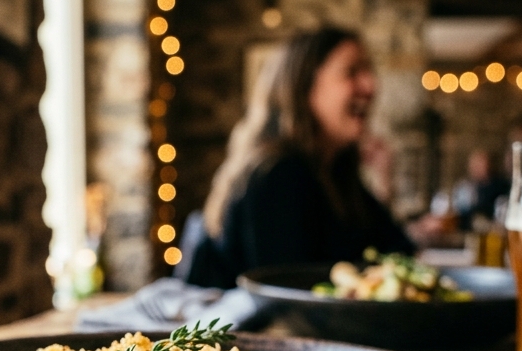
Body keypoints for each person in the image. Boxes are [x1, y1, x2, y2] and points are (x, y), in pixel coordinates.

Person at [175, 28, 416, 289]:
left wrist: (384, 183)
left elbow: (399, 255)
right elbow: (289, 294)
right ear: (304, 87)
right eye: (351, 72)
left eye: (369, 71)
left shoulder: (335, 169)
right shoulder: (277, 174)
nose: (370, 85)